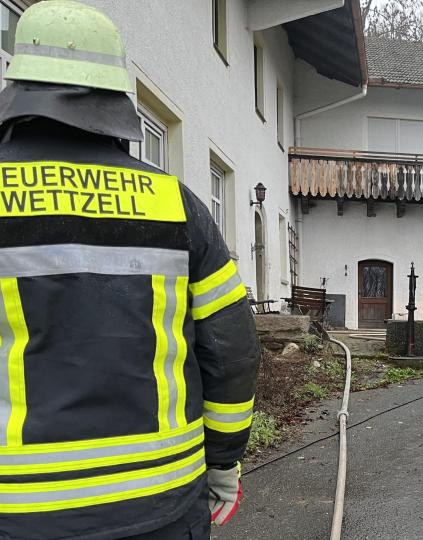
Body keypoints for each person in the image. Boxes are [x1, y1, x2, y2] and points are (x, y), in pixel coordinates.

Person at [0, 2, 261, 538]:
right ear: (118, 101)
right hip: (162, 503)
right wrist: (223, 461)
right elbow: (233, 350)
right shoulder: (177, 205)